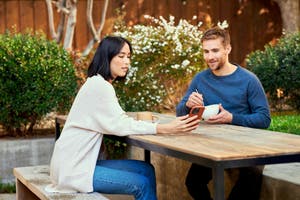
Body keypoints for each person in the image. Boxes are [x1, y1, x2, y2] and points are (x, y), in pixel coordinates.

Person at [45, 36, 200, 200]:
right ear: (107, 56)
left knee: (146, 169)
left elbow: (115, 121)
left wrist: (149, 125)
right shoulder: (99, 86)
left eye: (129, 57)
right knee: (141, 184)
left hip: (79, 163)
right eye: (121, 56)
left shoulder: (98, 83)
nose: (126, 62)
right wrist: (164, 128)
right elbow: (120, 125)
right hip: (74, 170)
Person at [176, 26, 271, 200]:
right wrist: (188, 105)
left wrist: (232, 118)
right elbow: (179, 113)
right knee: (193, 182)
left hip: (248, 146)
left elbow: (264, 118)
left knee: (251, 180)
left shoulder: (249, 80)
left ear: (228, 49)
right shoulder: (200, 79)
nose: (210, 57)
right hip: (213, 145)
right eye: (206, 51)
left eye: (215, 50)